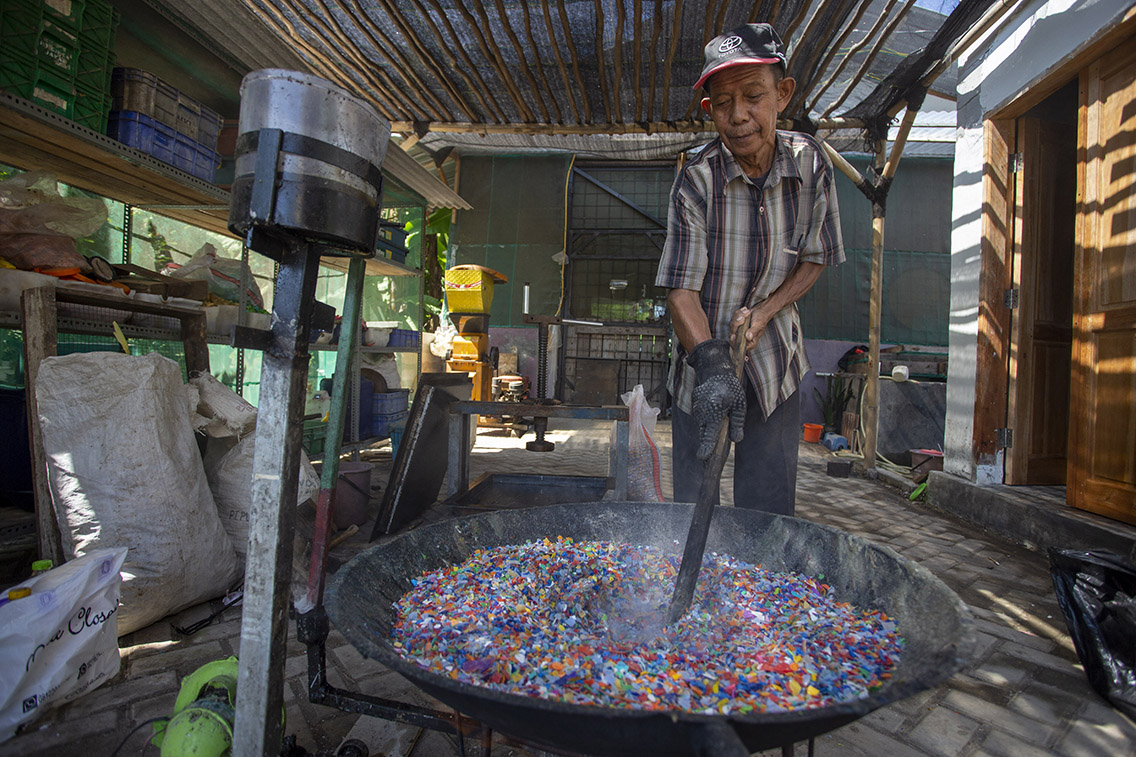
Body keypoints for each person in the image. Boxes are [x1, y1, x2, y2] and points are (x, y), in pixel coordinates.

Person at [656, 22, 845, 516]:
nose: (739, 116)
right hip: (703, 372)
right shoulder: (696, 180)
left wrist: (765, 313)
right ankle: (695, 593)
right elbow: (681, 291)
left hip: (775, 367)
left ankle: (756, 593)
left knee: (766, 514)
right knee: (693, 513)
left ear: (782, 95)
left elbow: (815, 256)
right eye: (723, 103)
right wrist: (713, 364)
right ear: (709, 110)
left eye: (754, 96)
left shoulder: (810, 164)